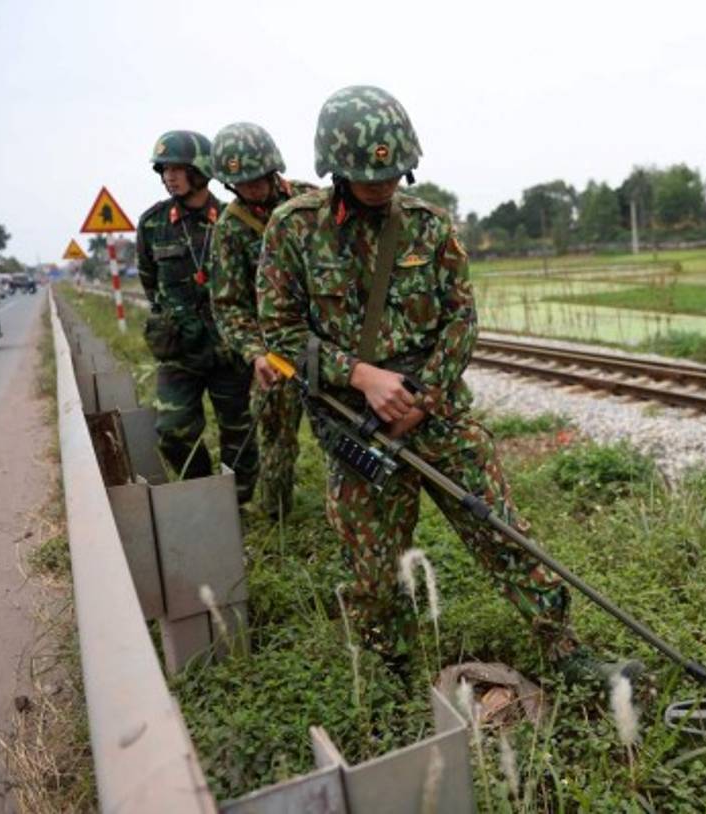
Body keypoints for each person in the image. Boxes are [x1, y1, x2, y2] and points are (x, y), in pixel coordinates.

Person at [257, 85, 637, 683]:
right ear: (335, 169)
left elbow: (462, 319)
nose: (381, 186)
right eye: (365, 175)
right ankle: (391, 674)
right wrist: (361, 377)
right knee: (373, 571)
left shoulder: (430, 229)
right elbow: (277, 333)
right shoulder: (293, 231)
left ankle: (565, 653)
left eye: (391, 173)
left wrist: (421, 400)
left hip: (435, 415)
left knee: (504, 533)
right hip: (354, 423)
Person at [136, 130, 258, 502]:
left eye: (177, 168)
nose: (169, 177)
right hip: (180, 352)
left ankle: (237, 502)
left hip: (229, 350)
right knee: (172, 430)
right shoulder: (153, 224)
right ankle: (205, 491)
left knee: (238, 431)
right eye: (164, 170)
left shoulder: (233, 220)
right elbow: (149, 282)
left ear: (201, 171)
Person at [210, 122, 316, 518]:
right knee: (276, 434)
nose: (251, 188)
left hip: (330, 342)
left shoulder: (311, 200)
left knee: (347, 430)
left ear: (273, 169)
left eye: (256, 178)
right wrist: (255, 353)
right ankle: (277, 514)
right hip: (279, 351)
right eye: (241, 182)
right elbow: (229, 303)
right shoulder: (231, 227)